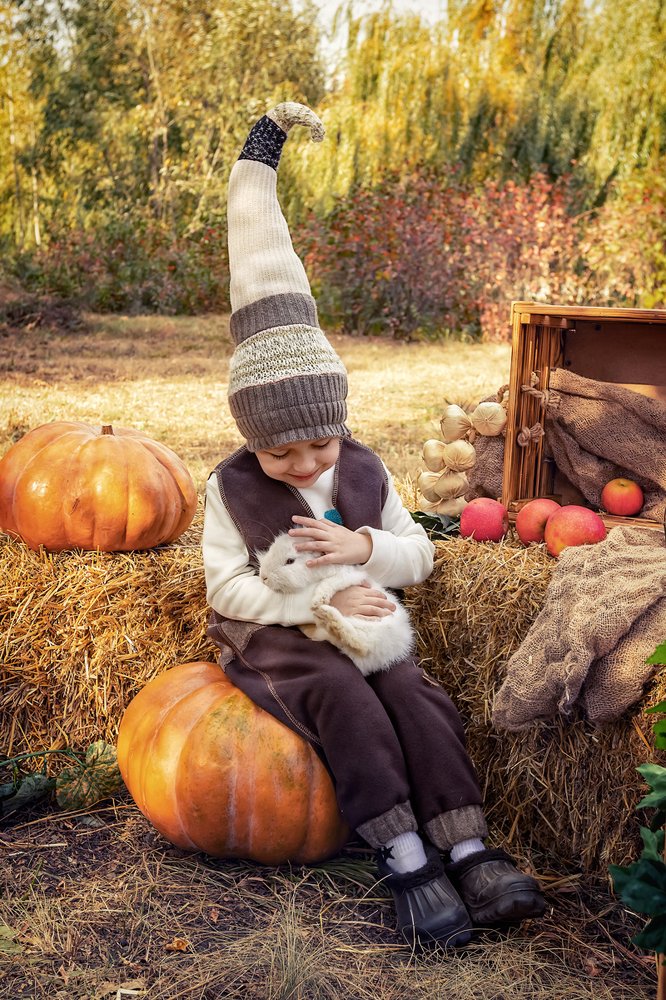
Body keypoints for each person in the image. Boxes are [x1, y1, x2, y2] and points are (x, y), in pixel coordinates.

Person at [202, 101, 545, 947]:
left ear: (340, 423)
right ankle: (404, 859)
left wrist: (365, 551)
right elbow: (227, 588)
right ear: (251, 439)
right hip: (278, 633)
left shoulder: (361, 468)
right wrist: (308, 613)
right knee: (342, 699)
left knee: (412, 693)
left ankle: (466, 845)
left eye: (320, 441)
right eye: (281, 454)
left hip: (367, 619)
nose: (307, 465)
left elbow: (420, 556)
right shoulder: (230, 488)